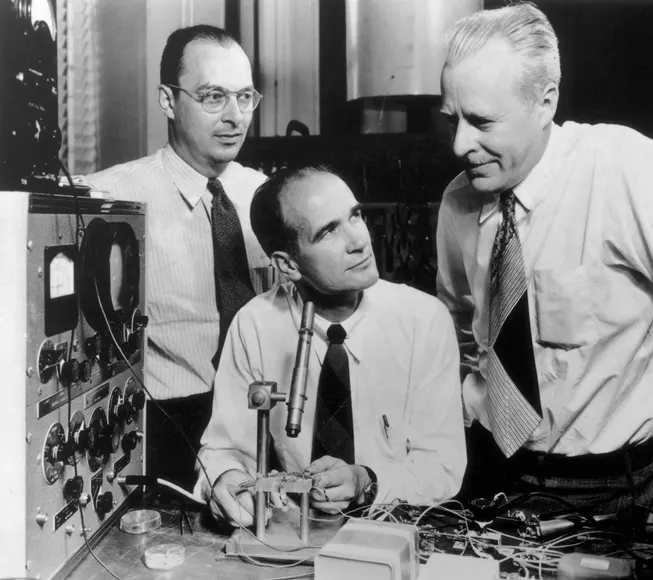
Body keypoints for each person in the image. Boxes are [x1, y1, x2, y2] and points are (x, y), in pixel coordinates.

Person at [436, 3, 653, 517]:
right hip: (487, 473)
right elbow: (459, 331)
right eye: (452, 119)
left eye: (481, 121)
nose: (461, 143)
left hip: (608, 492)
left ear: (544, 102)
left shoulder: (622, 169)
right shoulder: (458, 201)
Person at [194, 165, 466, 526]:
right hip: (295, 530)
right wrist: (226, 479)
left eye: (355, 216)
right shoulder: (254, 324)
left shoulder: (424, 320)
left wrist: (366, 481)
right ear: (287, 265)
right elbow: (224, 448)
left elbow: (442, 465)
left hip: (392, 525)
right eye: (328, 232)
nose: (359, 241)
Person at [87, 25, 273, 490]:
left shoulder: (267, 197)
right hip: (167, 432)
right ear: (168, 100)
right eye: (214, 96)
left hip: (262, 423)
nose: (235, 116)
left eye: (245, 97)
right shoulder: (110, 200)